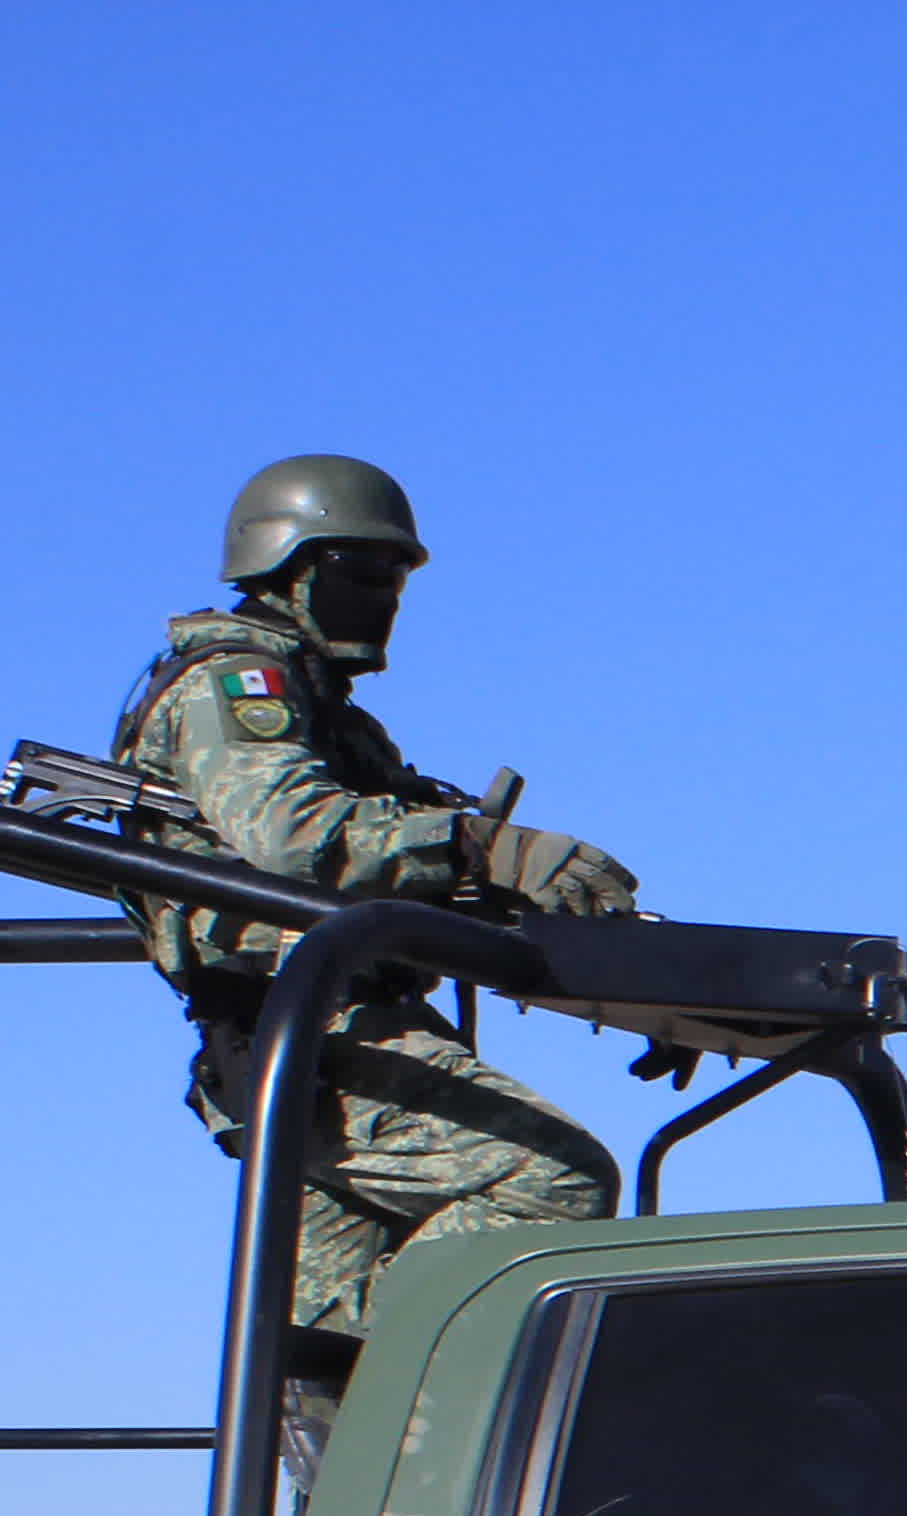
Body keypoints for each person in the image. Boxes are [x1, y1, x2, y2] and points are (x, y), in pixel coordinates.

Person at [112, 455, 637, 1461]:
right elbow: (293, 830)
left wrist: (637, 984)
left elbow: (403, 848)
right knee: (556, 1180)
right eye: (360, 571)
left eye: (395, 579)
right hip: (310, 1025)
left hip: (316, 1033)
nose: (384, 600)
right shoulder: (240, 681)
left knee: (331, 1376)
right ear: (288, 566)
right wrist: (485, 846)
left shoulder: (332, 711)